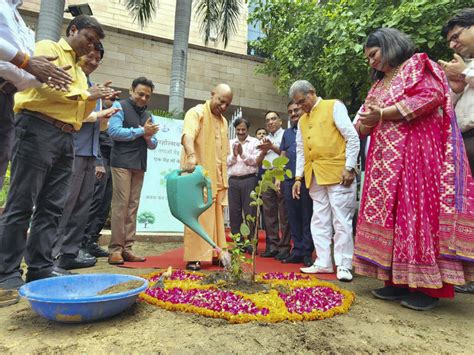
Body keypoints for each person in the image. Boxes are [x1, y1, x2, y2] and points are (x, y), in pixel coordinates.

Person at [354, 28, 474, 311]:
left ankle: (428, 286)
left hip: (417, 157)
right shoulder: (378, 85)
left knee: (416, 213)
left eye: (374, 54)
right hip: (384, 164)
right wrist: (369, 121)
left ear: (389, 45)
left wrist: (382, 114)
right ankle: (395, 281)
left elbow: (430, 96)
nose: (371, 62)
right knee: (392, 216)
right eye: (368, 58)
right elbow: (361, 124)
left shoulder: (420, 65)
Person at [0, 15, 114, 307]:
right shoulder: (49, 47)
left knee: (52, 207)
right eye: (88, 38)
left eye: (95, 43)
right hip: (37, 128)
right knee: (22, 203)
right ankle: (6, 272)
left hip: (66, 137)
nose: (91, 46)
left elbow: (76, 104)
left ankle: (39, 267)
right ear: (72, 30)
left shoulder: (78, 69)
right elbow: (42, 84)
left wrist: (94, 97)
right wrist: (88, 93)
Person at [53, 43, 120, 270]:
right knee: (66, 204)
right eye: (90, 56)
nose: (93, 61)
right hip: (73, 150)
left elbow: (99, 128)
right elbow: (70, 111)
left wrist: (106, 115)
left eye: (98, 59)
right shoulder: (73, 79)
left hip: (91, 152)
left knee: (82, 207)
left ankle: (69, 253)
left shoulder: (93, 87)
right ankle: (53, 255)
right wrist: (98, 112)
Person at [290, 80, 359, 282]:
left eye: (302, 102)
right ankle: (323, 262)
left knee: (341, 219)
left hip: (339, 174)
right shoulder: (302, 120)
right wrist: (298, 177)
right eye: (297, 104)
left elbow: (352, 137)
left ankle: (344, 265)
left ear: (312, 92)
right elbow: (302, 150)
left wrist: (349, 167)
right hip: (314, 175)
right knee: (319, 219)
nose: (301, 107)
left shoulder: (333, 106)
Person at [0, 0, 72, 189]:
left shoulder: (19, 19)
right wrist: (25, 62)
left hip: (7, 97)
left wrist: (45, 75)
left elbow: (25, 74)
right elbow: (24, 62)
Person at [440, 8, 474, 294]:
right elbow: (450, 110)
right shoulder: (466, 66)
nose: (452, 44)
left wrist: (463, 72)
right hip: (463, 142)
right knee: (466, 210)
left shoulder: (466, 66)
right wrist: (456, 84)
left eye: (456, 36)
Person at [107, 76, 159, 265]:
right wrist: (140, 132)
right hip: (121, 162)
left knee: (132, 207)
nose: (143, 99)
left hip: (139, 164)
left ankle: (128, 249)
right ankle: (115, 250)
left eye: (147, 96)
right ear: (131, 91)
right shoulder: (120, 106)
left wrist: (147, 137)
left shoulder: (149, 115)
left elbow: (153, 143)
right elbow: (113, 132)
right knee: (120, 206)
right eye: (140, 94)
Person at [181, 83, 232, 271]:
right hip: (198, 176)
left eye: (227, 104)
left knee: (216, 217)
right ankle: (194, 256)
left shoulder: (224, 121)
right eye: (221, 101)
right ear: (212, 94)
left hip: (216, 176)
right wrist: (192, 155)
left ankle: (216, 252)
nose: (223, 107)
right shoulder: (196, 112)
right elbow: (187, 135)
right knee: (197, 214)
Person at [276, 101, 314, 267]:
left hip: (307, 179)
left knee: (307, 215)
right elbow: (283, 154)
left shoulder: (310, 128)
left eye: (296, 110)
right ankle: (296, 250)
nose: (293, 113)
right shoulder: (287, 133)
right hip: (288, 180)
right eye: (290, 111)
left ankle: (307, 252)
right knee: (292, 216)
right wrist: (278, 177)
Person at [258, 111, 292, 261]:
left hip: (281, 174)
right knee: (269, 212)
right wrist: (264, 150)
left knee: (283, 212)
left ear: (280, 121)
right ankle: (272, 246)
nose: (270, 122)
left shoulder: (285, 134)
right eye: (267, 120)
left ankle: (284, 247)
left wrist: (272, 147)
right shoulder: (265, 138)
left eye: (273, 119)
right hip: (267, 174)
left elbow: (286, 154)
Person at [227, 118, 260, 253]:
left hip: (249, 180)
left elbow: (255, 161)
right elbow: (226, 162)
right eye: (238, 130)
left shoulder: (255, 142)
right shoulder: (229, 143)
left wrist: (242, 153)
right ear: (235, 130)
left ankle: (252, 243)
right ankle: (238, 243)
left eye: (243, 130)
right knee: (234, 214)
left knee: (250, 212)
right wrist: (234, 156)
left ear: (248, 129)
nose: (241, 132)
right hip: (233, 181)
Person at [81, 125, 114, 258]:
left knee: (104, 204)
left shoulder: (117, 110)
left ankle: (92, 241)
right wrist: (98, 162)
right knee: (95, 200)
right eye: (111, 101)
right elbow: (93, 136)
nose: (112, 103)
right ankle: (81, 243)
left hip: (113, 158)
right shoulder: (98, 109)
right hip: (99, 158)